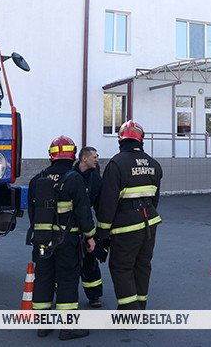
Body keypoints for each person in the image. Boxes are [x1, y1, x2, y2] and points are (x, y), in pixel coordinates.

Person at [27, 136, 95, 340]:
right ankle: (67, 328)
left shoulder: (37, 180)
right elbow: (83, 213)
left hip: (41, 241)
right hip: (67, 241)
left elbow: (32, 213)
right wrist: (90, 237)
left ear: (51, 156)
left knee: (44, 279)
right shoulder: (74, 179)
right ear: (73, 155)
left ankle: (43, 326)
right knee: (66, 279)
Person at [95, 120, 162, 311]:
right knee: (143, 266)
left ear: (120, 140)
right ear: (141, 139)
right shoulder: (154, 164)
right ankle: (140, 307)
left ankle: (128, 314)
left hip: (126, 226)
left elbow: (107, 204)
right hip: (150, 222)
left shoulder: (116, 164)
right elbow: (155, 198)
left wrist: (102, 236)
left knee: (121, 267)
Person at [75, 146, 103, 308]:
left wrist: (101, 233)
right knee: (68, 264)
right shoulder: (71, 176)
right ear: (84, 158)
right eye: (94, 157)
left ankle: (95, 296)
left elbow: (100, 206)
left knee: (90, 263)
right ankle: (64, 296)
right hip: (70, 228)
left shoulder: (96, 180)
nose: (97, 159)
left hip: (89, 228)